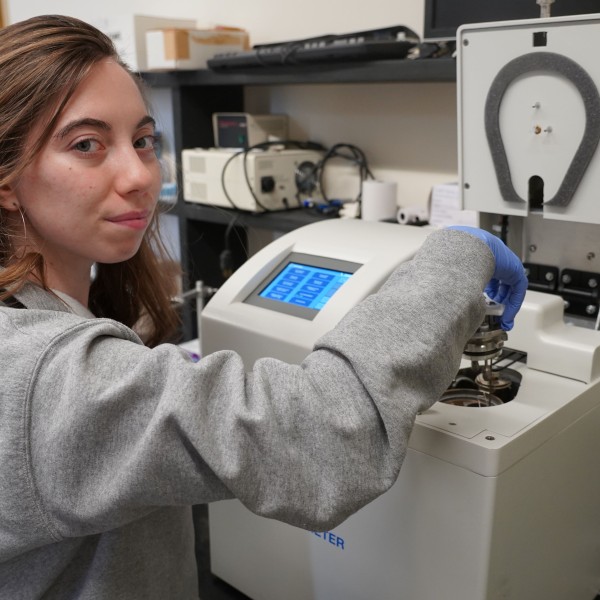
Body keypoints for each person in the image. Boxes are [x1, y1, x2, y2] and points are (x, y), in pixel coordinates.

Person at [0, 14, 528, 600]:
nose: (138, 175)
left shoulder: (55, 324)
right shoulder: (39, 374)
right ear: (6, 178)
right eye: (87, 145)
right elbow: (323, 440)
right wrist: (458, 255)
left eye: (143, 140)